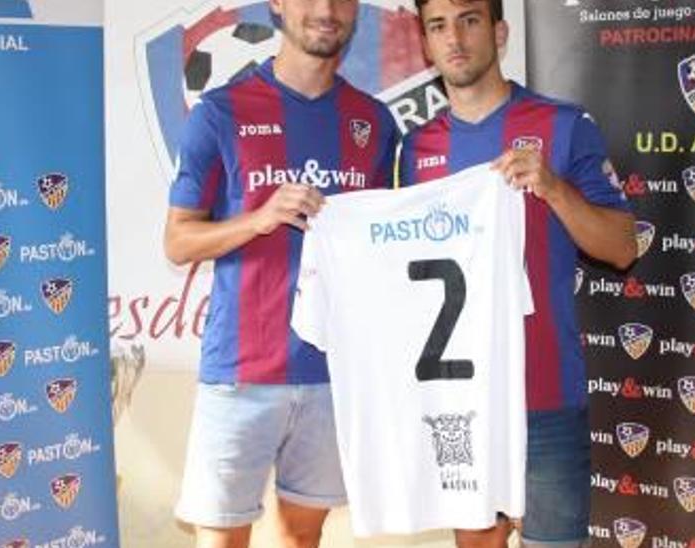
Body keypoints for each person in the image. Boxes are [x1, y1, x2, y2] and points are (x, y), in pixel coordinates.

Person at [398, 0, 637, 546]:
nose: (454, 38)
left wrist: (553, 188)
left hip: (546, 396)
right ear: (426, 44)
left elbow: (623, 248)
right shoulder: (415, 148)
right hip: (462, 404)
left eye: (469, 20)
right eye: (439, 25)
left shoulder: (563, 125)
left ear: (500, 32)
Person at [162, 0, 399, 545]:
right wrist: (259, 218)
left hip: (331, 375)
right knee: (221, 539)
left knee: (301, 538)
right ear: (278, 5)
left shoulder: (375, 123)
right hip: (240, 374)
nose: (326, 10)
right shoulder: (220, 112)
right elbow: (178, 242)